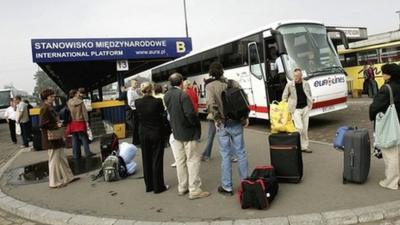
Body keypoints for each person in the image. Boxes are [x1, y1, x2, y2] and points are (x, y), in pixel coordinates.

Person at [164, 73, 210, 200]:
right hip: (188, 132)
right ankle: (194, 189)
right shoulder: (183, 95)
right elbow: (190, 114)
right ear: (181, 82)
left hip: (176, 132)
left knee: (180, 161)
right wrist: (196, 125)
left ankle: (182, 187)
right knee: (193, 161)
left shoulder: (167, 95)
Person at [206, 62, 249, 195]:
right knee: (241, 153)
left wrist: (217, 120)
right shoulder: (233, 83)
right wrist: (244, 117)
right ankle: (245, 184)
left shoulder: (210, 87)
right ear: (222, 71)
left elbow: (211, 105)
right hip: (236, 122)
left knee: (225, 155)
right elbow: (244, 99)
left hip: (222, 124)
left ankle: (227, 187)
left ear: (211, 73)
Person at [39, 89, 79, 188]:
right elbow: (42, 124)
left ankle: (68, 177)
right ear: (46, 98)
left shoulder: (47, 107)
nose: (53, 98)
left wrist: (57, 124)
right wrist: (56, 125)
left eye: (53, 96)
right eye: (51, 97)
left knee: (61, 158)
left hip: (55, 137)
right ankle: (53, 182)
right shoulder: (45, 108)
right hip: (51, 138)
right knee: (54, 160)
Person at [369, 63, 400, 190]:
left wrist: (372, 115)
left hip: (391, 126)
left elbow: (375, 107)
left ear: (389, 75)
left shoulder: (386, 88)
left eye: (384, 73)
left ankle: (391, 182)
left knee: (390, 153)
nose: (382, 75)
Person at [135, 82, 169, 194]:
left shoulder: (137, 102)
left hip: (143, 134)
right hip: (156, 133)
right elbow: (162, 116)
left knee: (146, 159)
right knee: (157, 159)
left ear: (142, 90)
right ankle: (158, 186)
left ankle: (149, 186)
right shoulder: (157, 102)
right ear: (151, 90)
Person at [282, 68, 313, 153]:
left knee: (305, 129)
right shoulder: (289, 85)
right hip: (295, 109)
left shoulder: (306, 84)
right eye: (294, 76)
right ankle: (296, 145)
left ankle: (304, 147)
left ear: (301, 76)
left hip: (305, 108)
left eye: (297, 76)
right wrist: (284, 107)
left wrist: (310, 103)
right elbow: (284, 96)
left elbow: (309, 94)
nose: (295, 77)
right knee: (299, 127)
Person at [67, 89, 94, 159]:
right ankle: (88, 153)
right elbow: (84, 112)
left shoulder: (68, 102)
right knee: (84, 138)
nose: (79, 94)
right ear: (75, 94)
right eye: (77, 93)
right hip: (80, 121)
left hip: (72, 122)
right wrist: (87, 121)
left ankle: (76, 155)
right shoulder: (80, 102)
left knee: (74, 138)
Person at [127, 79, 142, 145]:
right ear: (131, 84)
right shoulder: (130, 92)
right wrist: (138, 105)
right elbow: (130, 102)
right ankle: (135, 142)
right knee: (136, 127)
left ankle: (138, 140)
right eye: (135, 83)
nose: (136, 84)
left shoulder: (136, 91)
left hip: (138, 109)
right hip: (134, 110)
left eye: (137, 83)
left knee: (138, 126)